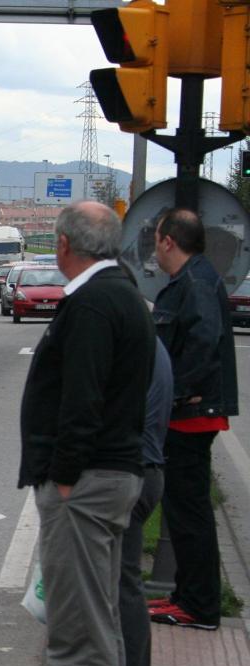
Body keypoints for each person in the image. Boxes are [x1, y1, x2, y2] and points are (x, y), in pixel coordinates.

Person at [15, 201, 155, 666]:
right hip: (107, 475)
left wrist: (65, 477)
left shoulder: (96, 302)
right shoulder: (118, 293)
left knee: (78, 632)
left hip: (89, 481)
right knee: (98, 626)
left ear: (68, 245)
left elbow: (83, 398)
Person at [149, 209, 239, 631]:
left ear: (169, 241)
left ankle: (199, 605)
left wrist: (178, 393)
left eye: (156, 239)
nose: (153, 247)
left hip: (190, 415)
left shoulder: (196, 283)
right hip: (188, 413)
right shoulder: (193, 279)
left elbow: (203, 341)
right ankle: (188, 595)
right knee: (186, 510)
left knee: (189, 513)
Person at [120, 338, 171, 666]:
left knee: (120, 587)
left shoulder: (134, 347)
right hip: (147, 470)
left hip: (130, 473)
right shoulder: (153, 345)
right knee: (125, 584)